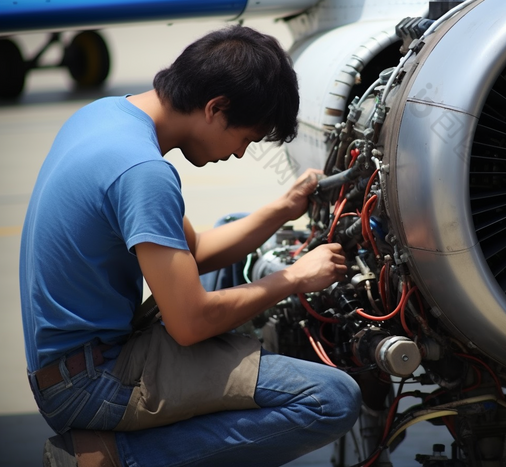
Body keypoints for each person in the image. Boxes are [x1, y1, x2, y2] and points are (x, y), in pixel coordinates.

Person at [20, 25, 362, 467]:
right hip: (89, 384)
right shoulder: (144, 173)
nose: (240, 154)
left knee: (233, 226)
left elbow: (194, 251)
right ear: (215, 108)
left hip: (65, 366)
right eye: (246, 139)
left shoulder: (108, 115)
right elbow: (190, 324)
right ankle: (108, 457)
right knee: (332, 398)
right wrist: (294, 277)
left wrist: (283, 208)